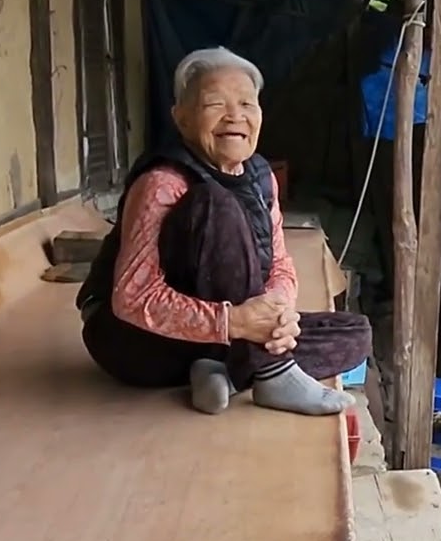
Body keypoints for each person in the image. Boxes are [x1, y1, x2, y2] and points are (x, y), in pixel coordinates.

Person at [76, 47, 368, 416]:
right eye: (215, 104)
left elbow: (278, 262)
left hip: (216, 338)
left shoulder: (262, 177)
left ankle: (223, 375)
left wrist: (278, 312)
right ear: (180, 118)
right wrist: (233, 322)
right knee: (215, 204)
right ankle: (270, 371)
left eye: (247, 104)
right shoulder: (162, 182)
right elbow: (132, 298)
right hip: (138, 341)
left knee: (355, 333)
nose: (235, 117)